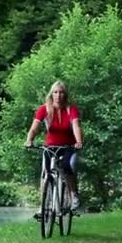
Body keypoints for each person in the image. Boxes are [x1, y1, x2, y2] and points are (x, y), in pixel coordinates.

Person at [25, 80, 83, 210]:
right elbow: (34, 128)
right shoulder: (44, 109)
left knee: (68, 167)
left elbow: (76, 126)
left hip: (68, 146)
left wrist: (78, 141)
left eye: (61, 92)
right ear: (51, 94)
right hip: (50, 147)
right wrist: (29, 140)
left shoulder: (71, 109)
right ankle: (44, 205)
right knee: (46, 173)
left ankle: (73, 195)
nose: (58, 95)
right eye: (55, 92)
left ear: (65, 95)